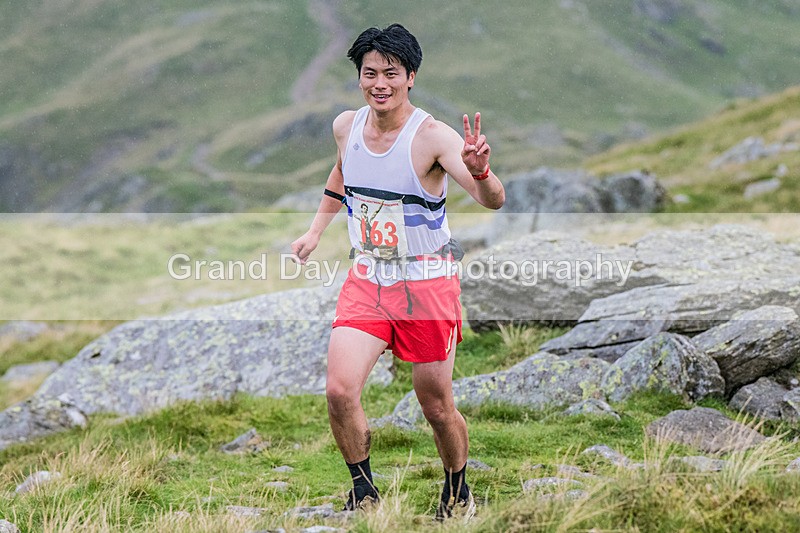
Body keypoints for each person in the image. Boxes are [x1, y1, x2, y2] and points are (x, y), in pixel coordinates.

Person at [291, 23, 504, 521]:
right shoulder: (346, 126)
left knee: (435, 405)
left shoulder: (433, 138)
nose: (379, 83)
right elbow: (342, 174)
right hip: (368, 279)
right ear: (359, 77)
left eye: (391, 73)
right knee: (339, 390)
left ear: (411, 77)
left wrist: (479, 169)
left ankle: (458, 492)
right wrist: (316, 231)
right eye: (370, 73)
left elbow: (492, 200)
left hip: (427, 284)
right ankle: (364, 494)